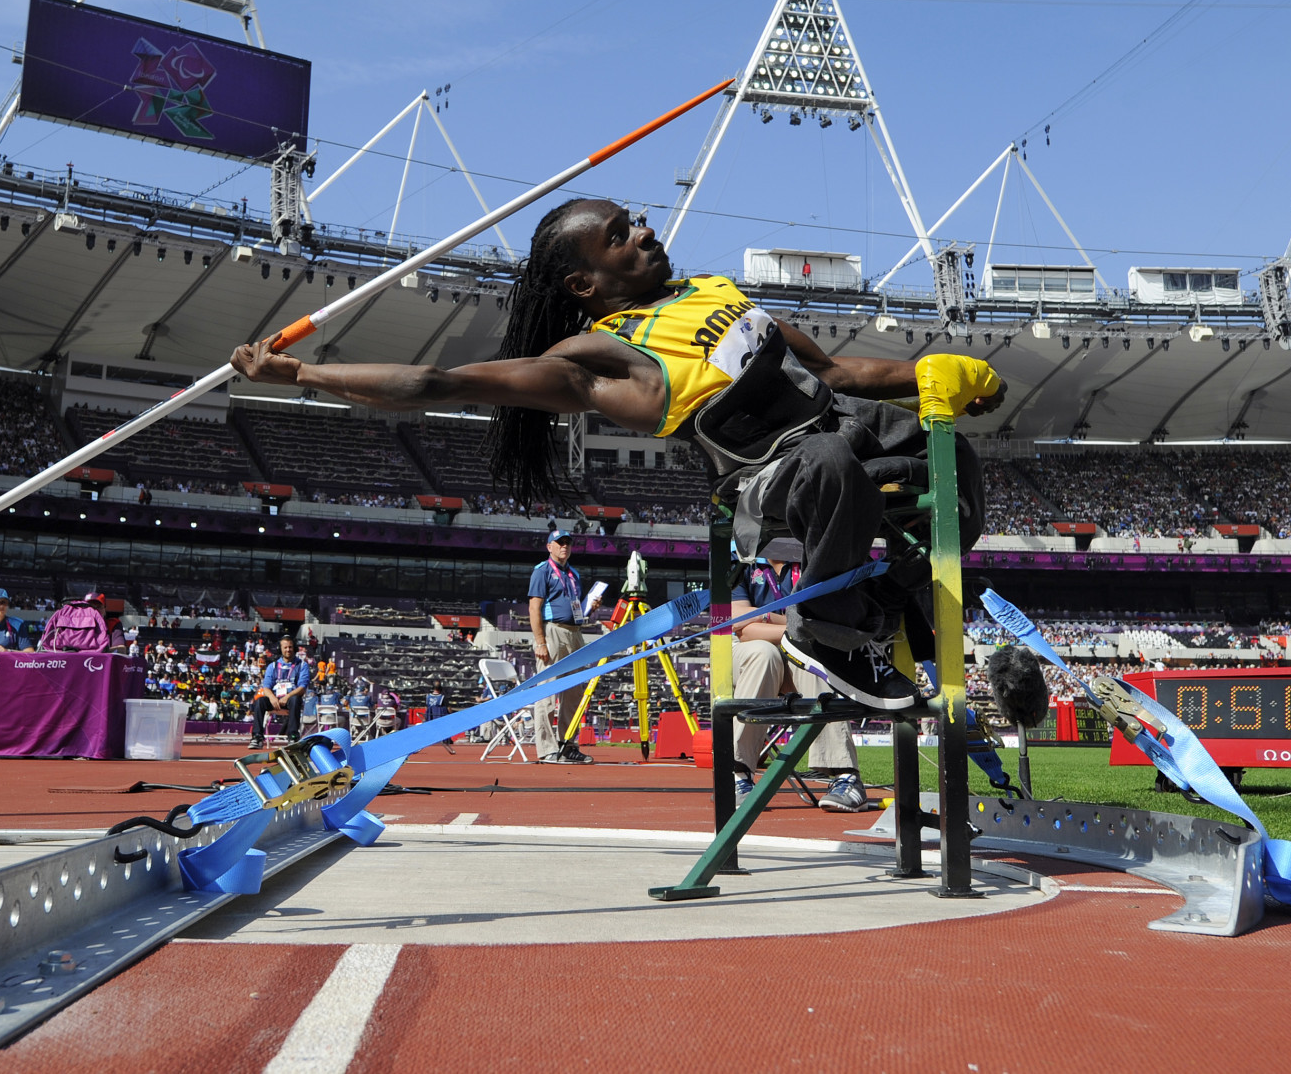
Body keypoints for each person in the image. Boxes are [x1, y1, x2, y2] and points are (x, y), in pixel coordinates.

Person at [231, 198, 1003, 711]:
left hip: (842, 429)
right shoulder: (599, 356)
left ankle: (904, 608)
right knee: (834, 458)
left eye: (636, 220)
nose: (643, 231)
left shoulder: (716, 289)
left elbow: (835, 374)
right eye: (619, 235)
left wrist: (935, 376)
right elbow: (439, 379)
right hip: (769, 479)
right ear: (583, 279)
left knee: (952, 458)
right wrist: (299, 372)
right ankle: (830, 636)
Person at [728, 551, 873, 812]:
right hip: (747, 652)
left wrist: (763, 616)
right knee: (764, 653)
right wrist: (796, 626)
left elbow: (823, 624)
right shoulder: (740, 560)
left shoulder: (814, 559)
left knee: (811, 657)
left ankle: (845, 775)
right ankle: (737, 773)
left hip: (799, 650)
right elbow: (743, 627)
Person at [527, 529, 593, 764]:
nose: (564, 546)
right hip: (552, 631)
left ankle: (568, 745)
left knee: (574, 691)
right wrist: (540, 641)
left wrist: (590, 608)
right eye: (559, 542)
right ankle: (546, 749)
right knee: (546, 690)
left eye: (568, 543)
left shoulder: (574, 573)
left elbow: (576, 606)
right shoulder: (542, 571)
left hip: (575, 632)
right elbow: (534, 608)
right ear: (549, 547)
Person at [247, 635, 309, 750]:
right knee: (260, 701)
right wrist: (272, 698)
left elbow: (302, 688)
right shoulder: (273, 666)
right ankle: (257, 737)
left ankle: (293, 737)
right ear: (280, 649)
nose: (288, 650)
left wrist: (287, 697)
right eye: (285, 647)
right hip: (275, 700)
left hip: (291, 699)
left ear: (294, 648)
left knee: (295, 699)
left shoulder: (302, 665)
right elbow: (266, 687)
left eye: (290, 647)